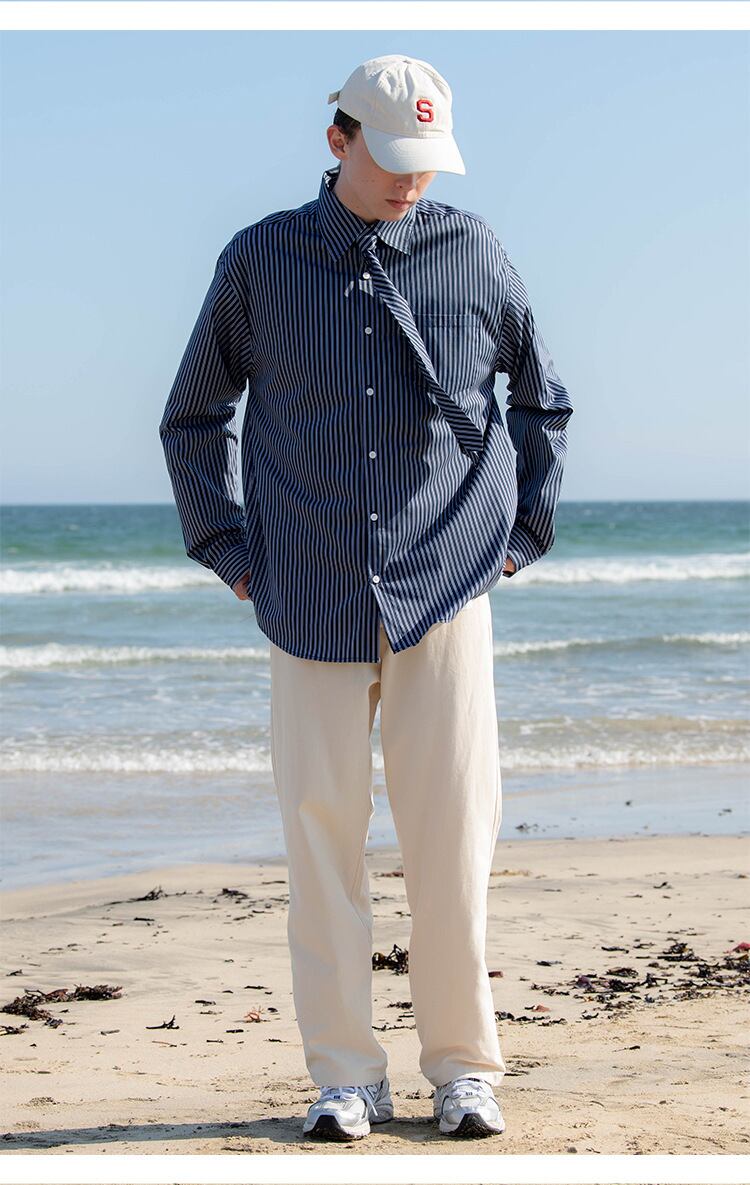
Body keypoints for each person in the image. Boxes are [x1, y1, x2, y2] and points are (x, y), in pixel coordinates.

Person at [159, 53, 573, 1141]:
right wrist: (227, 547)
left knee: (453, 842)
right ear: (338, 139)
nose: (410, 181)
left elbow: (541, 400)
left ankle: (464, 1070)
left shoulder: (473, 250)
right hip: (307, 594)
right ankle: (346, 1075)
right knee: (321, 845)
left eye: (426, 161)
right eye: (391, 158)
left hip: (447, 586)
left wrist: (522, 533)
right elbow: (192, 417)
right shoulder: (259, 261)